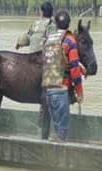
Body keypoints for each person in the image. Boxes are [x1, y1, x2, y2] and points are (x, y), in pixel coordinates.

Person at [41, 10, 83, 141]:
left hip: (49, 89)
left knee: (57, 127)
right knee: (62, 131)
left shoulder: (49, 40)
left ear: (56, 24)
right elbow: (74, 70)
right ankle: (59, 158)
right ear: (69, 24)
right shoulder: (70, 41)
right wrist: (79, 92)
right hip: (62, 88)